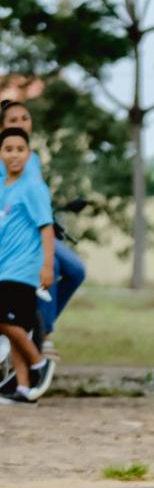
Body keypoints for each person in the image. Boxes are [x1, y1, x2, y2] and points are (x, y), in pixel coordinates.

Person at [0, 99, 87, 348]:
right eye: (13, 120)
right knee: (53, 265)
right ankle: (43, 337)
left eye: (24, 119)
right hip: (16, 231)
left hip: (39, 227)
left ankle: (40, 325)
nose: (20, 124)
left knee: (75, 271)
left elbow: (36, 195)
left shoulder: (33, 158)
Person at [0, 126, 56, 406]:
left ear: (29, 154)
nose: (14, 155)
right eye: (8, 149)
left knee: (5, 322)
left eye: (20, 149)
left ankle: (39, 363)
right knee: (17, 326)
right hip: (3, 267)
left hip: (22, 270)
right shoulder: (3, 188)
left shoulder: (33, 187)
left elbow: (47, 228)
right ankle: (23, 388)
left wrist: (47, 266)